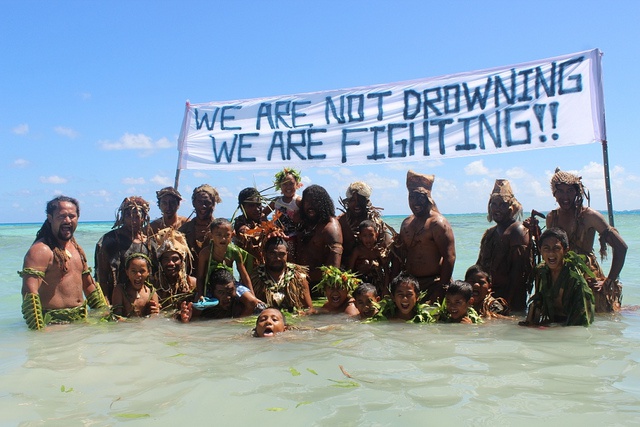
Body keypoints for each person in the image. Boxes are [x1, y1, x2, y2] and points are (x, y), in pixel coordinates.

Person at [19, 196, 108, 330]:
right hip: (54, 326)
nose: (67, 220)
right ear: (50, 218)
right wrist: (38, 331)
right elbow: (29, 293)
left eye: (72, 216)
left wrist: (105, 314)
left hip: (80, 322)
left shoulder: (76, 248)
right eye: (62, 216)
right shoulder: (41, 250)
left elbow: (89, 285)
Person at [545, 168, 627, 312]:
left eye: (570, 191)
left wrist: (609, 281)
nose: (566, 196)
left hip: (587, 279)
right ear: (554, 194)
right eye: (561, 191)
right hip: (560, 280)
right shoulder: (552, 218)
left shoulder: (589, 216)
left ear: (577, 192)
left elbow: (621, 247)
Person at [394, 170, 456, 304]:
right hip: (410, 285)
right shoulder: (406, 223)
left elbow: (449, 256)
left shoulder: (437, 223)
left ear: (428, 198)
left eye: (420, 197)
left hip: (434, 283)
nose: (416, 202)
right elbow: (400, 255)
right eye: (412, 197)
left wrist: (442, 287)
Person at [476, 179, 533, 311]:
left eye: (502, 204)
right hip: (490, 298)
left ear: (511, 207)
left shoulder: (517, 231)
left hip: (511, 300)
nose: (497, 209)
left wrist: (506, 303)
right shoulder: (490, 233)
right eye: (494, 204)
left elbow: (518, 274)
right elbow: (479, 267)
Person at [522, 228, 595, 327]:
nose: (551, 253)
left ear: (565, 250)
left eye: (556, 248)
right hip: (552, 322)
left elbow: (581, 322)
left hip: (569, 325)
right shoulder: (541, 272)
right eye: (546, 248)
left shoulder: (574, 278)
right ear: (540, 250)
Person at [95, 196, 152, 302]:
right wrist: (105, 303)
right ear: (122, 217)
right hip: (116, 300)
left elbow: (152, 276)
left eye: (137, 217)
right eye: (128, 216)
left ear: (144, 218)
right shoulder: (109, 241)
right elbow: (101, 277)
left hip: (142, 300)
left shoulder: (148, 243)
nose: (133, 221)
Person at [296, 184, 343, 294]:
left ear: (323, 203)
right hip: (301, 283)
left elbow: (333, 269)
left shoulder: (331, 227)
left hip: (320, 287)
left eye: (315, 202)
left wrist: (304, 277)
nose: (310, 206)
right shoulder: (306, 223)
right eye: (307, 202)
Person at [250, 236, 315, 314]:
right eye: (272, 254)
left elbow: (309, 309)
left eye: (282, 254)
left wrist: (301, 316)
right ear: (264, 254)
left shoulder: (298, 278)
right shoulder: (254, 278)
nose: (277, 258)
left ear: (287, 254)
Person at [338, 181, 391, 265]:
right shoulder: (340, 222)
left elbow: (389, 248)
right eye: (353, 200)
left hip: (373, 270)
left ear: (366, 202)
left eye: (360, 200)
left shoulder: (376, 223)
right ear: (348, 202)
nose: (357, 204)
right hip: (346, 272)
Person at [178, 184, 222, 274]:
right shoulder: (184, 230)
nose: (203, 206)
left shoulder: (221, 229)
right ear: (194, 203)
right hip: (190, 278)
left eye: (207, 202)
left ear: (213, 204)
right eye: (199, 202)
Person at [180, 269, 254, 321]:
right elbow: (193, 320)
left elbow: (253, 304)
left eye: (230, 291)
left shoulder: (242, 303)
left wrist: (238, 321)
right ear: (212, 292)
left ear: (235, 288)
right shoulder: (205, 303)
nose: (227, 297)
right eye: (221, 292)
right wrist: (185, 320)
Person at [152, 228, 196, 311]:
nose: (171, 263)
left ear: (182, 261)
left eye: (175, 259)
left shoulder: (192, 284)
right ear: (160, 262)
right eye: (166, 259)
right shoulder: (153, 285)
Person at [347, 219, 390, 296]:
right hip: (360, 282)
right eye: (364, 236)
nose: (368, 239)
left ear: (376, 235)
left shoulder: (378, 251)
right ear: (360, 236)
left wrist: (385, 289)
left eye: (371, 235)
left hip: (376, 283)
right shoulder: (358, 251)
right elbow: (349, 270)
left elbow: (387, 271)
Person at [111, 253, 160, 318]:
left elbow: (155, 318)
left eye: (142, 271)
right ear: (127, 272)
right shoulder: (120, 291)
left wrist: (155, 313)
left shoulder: (151, 293)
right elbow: (116, 317)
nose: (138, 275)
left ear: (148, 272)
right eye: (133, 271)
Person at [265, 168, 303, 244]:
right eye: (284, 184)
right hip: (278, 236)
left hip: (294, 238)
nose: (288, 187)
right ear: (280, 186)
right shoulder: (276, 201)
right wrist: (269, 226)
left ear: (297, 184)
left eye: (291, 183)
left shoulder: (298, 201)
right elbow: (263, 213)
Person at [233, 187, 268, 266]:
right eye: (251, 205)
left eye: (259, 204)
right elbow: (246, 232)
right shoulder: (239, 222)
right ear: (242, 207)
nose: (257, 209)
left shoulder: (263, 220)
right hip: (250, 270)